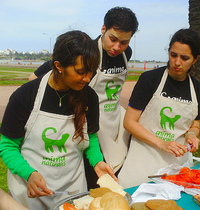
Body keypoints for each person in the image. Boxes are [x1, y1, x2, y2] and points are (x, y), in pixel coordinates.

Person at [0, 30, 117, 209]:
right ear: (58, 65)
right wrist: (28, 173)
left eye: (92, 72)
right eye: (80, 71)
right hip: (31, 191)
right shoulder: (25, 96)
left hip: (73, 192)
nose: (87, 78)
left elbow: (90, 138)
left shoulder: (89, 98)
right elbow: (8, 146)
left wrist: (97, 161)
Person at [28, 7, 139, 189]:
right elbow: (33, 79)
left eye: (124, 42)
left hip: (113, 122)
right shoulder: (85, 53)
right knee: (92, 177)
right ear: (103, 29)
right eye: (113, 39)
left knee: (116, 173)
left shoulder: (126, 54)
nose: (117, 47)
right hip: (88, 122)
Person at [118, 28, 200, 188]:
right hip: (142, 159)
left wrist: (192, 136)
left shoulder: (196, 88)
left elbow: (195, 124)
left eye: (184, 58)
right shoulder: (149, 79)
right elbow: (129, 122)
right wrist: (162, 143)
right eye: (173, 55)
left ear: (195, 59)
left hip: (177, 165)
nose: (177, 62)